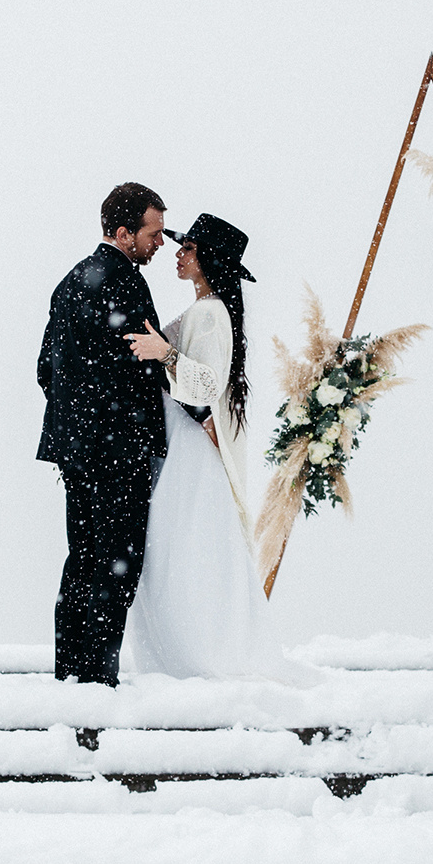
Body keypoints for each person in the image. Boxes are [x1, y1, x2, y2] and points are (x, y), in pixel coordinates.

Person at [121, 213, 301, 680]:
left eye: (189, 250)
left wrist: (162, 352)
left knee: (179, 552)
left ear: (208, 261)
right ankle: (195, 653)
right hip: (184, 439)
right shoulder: (208, 309)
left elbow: (204, 384)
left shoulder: (209, 312)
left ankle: (194, 657)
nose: (178, 254)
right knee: (185, 552)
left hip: (188, 447)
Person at [37, 182, 170, 685]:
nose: (160, 243)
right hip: (118, 450)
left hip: (77, 451)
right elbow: (141, 365)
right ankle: (98, 678)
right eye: (153, 233)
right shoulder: (125, 284)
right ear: (123, 232)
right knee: (118, 562)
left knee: (83, 557)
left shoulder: (71, 283)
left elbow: (44, 370)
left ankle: (70, 672)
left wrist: (78, 422)